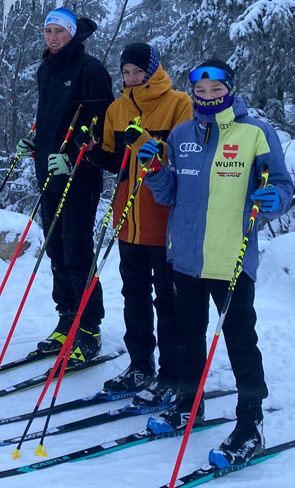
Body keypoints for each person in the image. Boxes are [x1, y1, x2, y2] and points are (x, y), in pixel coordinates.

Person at [142, 59, 293, 466]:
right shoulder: (181, 134)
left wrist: (273, 200)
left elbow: (281, 184)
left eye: (215, 90)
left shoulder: (256, 133)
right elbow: (170, 193)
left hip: (232, 258)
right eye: (201, 91)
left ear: (229, 89)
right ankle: (190, 405)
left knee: (241, 342)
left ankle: (250, 424)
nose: (208, 97)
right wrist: (154, 170)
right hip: (187, 259)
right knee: (186, 338)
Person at [93, 43, 191, 404]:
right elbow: (111, 158)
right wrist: (90, 153)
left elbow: (186, 156)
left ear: (152, 70)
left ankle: (172, 371)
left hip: (162, 218)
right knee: (133, 295)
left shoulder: (179, 103)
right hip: (127, 219)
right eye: (126, 73)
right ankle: (139, 364)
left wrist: (150, 144)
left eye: (138, 72)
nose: (132, 79)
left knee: (167, 299)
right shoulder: (117, 109)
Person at [18, 8, 114, 362]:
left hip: (79, 174)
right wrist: (35, 138)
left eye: (60, 31)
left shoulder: (90, 70)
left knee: (76, 251)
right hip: (48, 170)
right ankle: (67, 319)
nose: (53, 37)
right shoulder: (46, 69)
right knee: (55, 249)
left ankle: (89, 327)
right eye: (48, 30)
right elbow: (49, 116)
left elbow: (102, 124)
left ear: (73, 33)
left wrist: (75, 154)